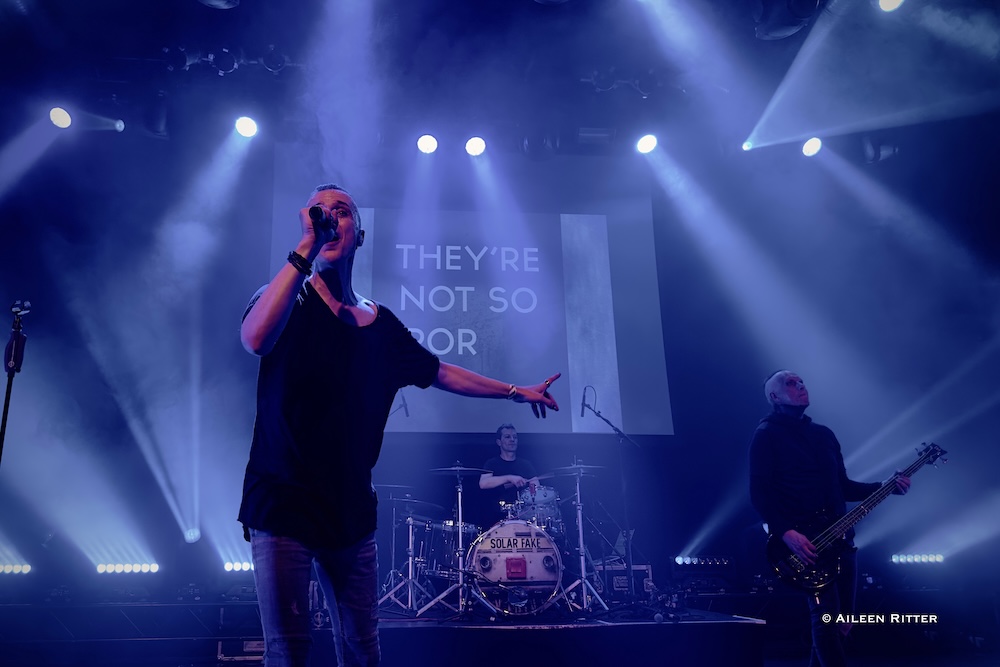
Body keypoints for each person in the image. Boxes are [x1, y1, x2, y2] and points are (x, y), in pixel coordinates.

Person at [238, 183, 561, 667]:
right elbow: (256, 339)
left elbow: (441, 371)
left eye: (341, 212)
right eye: (318, 212)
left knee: (363, 649)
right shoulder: (286, 297)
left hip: (349, 510)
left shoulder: (382, 326)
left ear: (360, 233)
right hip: (282, 502)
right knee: (288, 652)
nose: (329, 219)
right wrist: (306, 246)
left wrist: (516, 391)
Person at [748, 370, 910, 667]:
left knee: (842, 623)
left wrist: (885, 487)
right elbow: (759, 493)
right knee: (826, 620)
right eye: (790, 383)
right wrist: (786, 532)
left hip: (842, 539)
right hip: (806, 543)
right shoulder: (766, 435)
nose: (800, 385)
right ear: (774, 396)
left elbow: (843, 486)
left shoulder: (823, 435)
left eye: (801, 381)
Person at [477, 423, 539, 524]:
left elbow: (536, 487)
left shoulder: (526, 464)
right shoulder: (492, 463)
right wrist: (509, 478)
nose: (512, 440)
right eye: (507, 437)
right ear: (499, 442)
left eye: (515, 437)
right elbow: (483, 483)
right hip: (496, 518)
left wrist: (531, 486)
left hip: (523, 518)